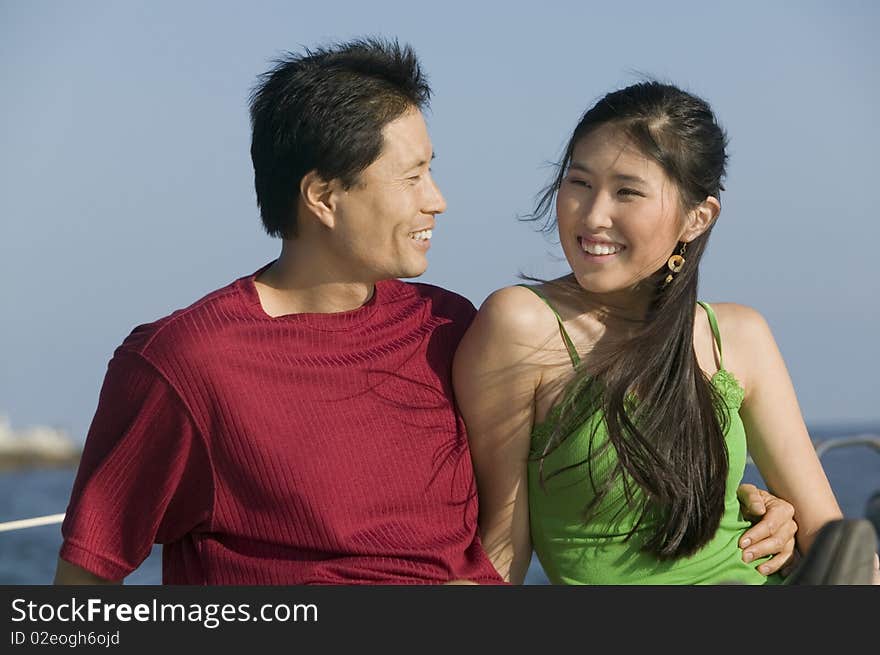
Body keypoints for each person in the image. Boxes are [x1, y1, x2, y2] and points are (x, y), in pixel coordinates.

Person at [54, 42, 796, 585]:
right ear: (323, 197)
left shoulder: (446, 327)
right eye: (412, 176)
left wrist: (742, 503)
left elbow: (539, 506)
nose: (437, 198)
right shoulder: (187, 364)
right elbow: (77, 605)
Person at [453, 81, 878, 584]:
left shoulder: (737, 336)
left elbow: (830, 537)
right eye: (579, 183)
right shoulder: (522, 324)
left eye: (627, 192)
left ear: (698, 218)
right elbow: (503, 544)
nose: (592, 216)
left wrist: (787, 523)